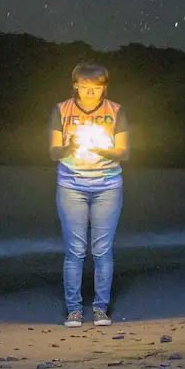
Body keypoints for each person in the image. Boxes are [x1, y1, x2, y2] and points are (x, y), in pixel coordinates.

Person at [48, 62, 130, 327]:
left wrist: (99, 148)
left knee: (102, 250)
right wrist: (70, 147)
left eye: (96, 88)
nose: (90, 92)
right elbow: (53, 152)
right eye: (85, 87)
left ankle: (100, 309)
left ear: (104, 87)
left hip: (107, 186)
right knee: (75, 250)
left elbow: (124, 153)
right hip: (71, 185)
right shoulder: (61, 110)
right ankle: (74, 309)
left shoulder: (116, 111)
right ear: (75, 85)